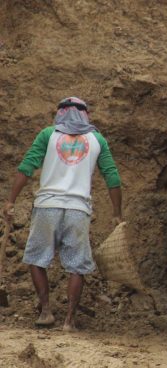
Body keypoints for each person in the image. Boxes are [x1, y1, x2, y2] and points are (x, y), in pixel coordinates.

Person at [4, 97, 122, 331]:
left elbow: (27, 166)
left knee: (36, 259)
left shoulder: (48, 135)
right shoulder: (97, 139)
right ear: (85, 115)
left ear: (60, 113)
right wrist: (117, 213)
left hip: (47, 206)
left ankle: (46, 311)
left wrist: (10, 200)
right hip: (78, 210)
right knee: (77, 266)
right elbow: (113, 177)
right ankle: (69, 321)